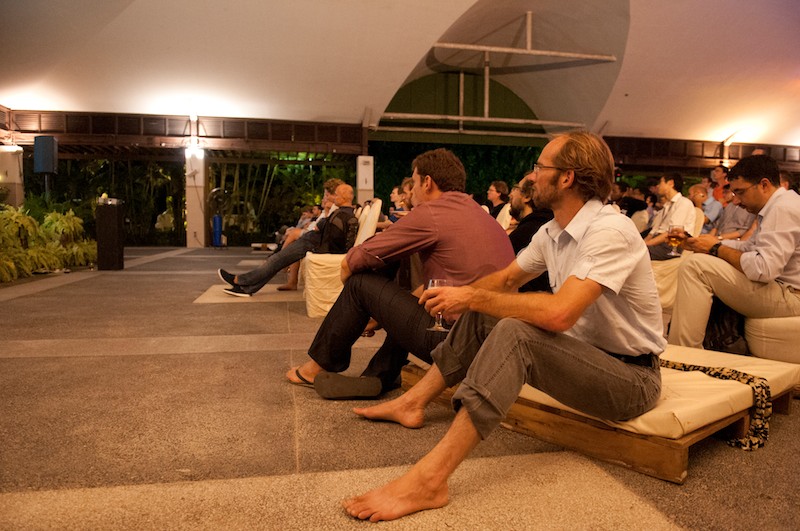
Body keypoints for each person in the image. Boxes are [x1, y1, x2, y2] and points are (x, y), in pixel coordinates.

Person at [342, 131, 665, 522]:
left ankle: (430, 480)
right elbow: (506, 279)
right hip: (586, 358)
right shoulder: (553, 232)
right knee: (485, 309)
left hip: (632, 380)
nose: (532, 177)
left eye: (540, 167)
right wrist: (461, 295)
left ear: (566, 178)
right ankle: (413, 403)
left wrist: (472, 298)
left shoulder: (609, 231)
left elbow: (560, 314)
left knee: (515, 332)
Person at [286, 148, 515, 398]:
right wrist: (382, 313)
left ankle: (318, 366)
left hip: (454, 344)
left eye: (414, 183)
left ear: (427, 182)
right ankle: (380, 376)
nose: (411, 191)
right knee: (406, 296)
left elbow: (355, 259)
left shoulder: (433, 212)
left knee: (360, 283)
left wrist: (355, 298)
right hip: (494, 343)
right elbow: (442, 287)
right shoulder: (478, 213)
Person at [668, 154, 800, 348]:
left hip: (792, 296)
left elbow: (764, 269)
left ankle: (683, 353)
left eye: (740, 192)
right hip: (781, 289)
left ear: (764, 185)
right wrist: (704, 243)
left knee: (696, 266)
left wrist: (715, 248)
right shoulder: (779, 205)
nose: (736, 201)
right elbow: (749, 247)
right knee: (700, 260)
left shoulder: (782, 209)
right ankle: (684, 348)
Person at [218, 183, 357, 297]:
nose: (333, 197)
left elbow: (326, 233)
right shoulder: (341, 212)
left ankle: (240, 281)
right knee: (277, 261)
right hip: (311, 240)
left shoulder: (343, 215)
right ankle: (246, 288)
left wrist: (319, 239)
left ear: (344, 197)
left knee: (276, 260)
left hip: (312, 243)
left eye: (336, 195)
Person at [507, 176, 553, 292]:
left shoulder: (526, 233)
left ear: (527, 197)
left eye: (516, 189)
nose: (510, 195)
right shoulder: (545, 224)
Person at [644, 172, 696, 260]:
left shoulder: (683, 203)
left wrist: (647, 244)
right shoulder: (667, 205)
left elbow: (673, 231)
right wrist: (643, 243)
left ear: (671, 183)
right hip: (658, 242)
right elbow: (654, 231)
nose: (658, 186)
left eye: (661, 182)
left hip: (671, 245)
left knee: (635, 253)